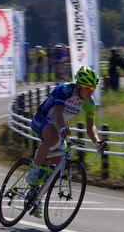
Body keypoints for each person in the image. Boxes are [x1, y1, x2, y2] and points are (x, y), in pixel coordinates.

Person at [25, 66, 108, 216]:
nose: (91, 92)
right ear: (79, 85)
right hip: (41, 120)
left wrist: (97, 141)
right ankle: (34, 169)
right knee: (54, 137)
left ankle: (36, 198)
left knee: (55, 168)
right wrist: (62, 127)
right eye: (88, 88)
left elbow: (91, 126)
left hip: (57, 128)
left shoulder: (89, 102)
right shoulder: (64, 90)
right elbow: (57, 113)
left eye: (93, 89)